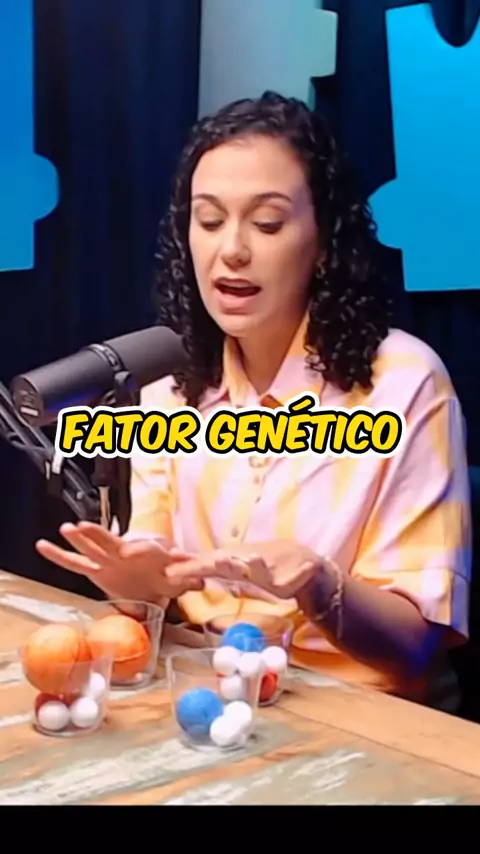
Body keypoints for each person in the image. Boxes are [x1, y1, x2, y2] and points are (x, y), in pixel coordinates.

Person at [36, 91, 471, 710]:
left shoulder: (405, 383)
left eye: (266, 224)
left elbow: (416, 648)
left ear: (324, 242)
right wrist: (137, 587)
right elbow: (153, 587)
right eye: (209, 221)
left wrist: (319, 583)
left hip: (363, 712)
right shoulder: (169, 388)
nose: (232, 250)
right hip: (207, 693)